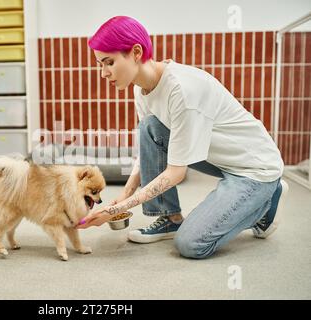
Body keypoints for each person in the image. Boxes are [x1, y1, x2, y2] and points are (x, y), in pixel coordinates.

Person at [76, 16, 288, 259]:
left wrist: (122, 208)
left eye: (108, 62)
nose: (103, 73)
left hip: (255, 169)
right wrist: (124, 194)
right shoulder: (141, 88)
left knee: (191, 244)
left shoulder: (182, 90)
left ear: (136, 52)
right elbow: (149, 145)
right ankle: (170, 218)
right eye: (100, 65)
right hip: (219, 158)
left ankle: (268, 200)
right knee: (149, 126)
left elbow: (176, 173)